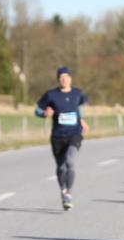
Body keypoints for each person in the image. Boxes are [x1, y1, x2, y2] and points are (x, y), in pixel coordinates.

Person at [35, 67, 89, 210]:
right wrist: (44, 113)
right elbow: (37, 110)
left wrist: (82, 119)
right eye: (61, 77)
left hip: (74, 134)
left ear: (71, 78)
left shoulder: (77, 93)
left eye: (67, 77)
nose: (64, 79)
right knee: (61, 167)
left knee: (70, 161)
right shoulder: (51, 95)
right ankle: (63, 190)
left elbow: (79, 107)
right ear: (58, 79)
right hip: (58, 136)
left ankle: (68, 193)